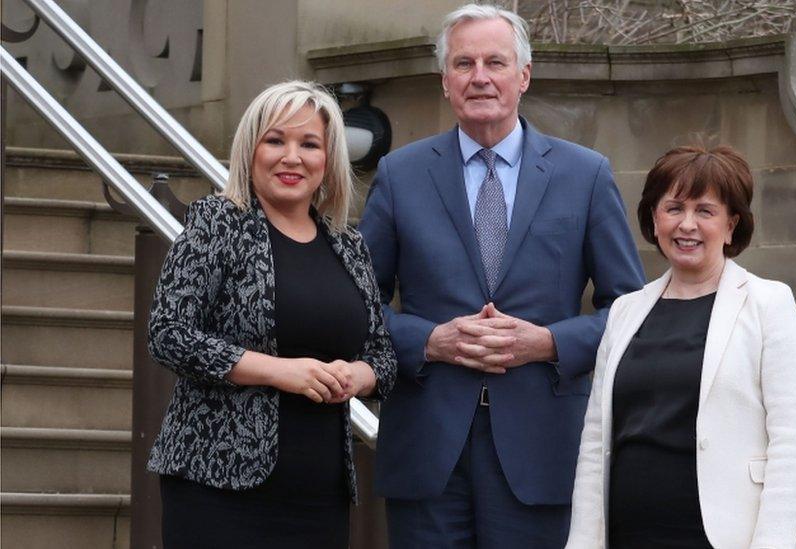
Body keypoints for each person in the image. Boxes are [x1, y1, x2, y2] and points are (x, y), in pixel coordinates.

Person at [357, 4, 645, 548]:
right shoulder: (401, 174)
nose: (480, 76)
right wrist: (431, 341)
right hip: (428, 446)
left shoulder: (585, 175)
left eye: (496, 62)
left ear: (524, 76)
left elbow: (631, 309)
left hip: (542, 448)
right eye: (464, 64)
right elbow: (357, 302)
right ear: (445, 82)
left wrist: (550, 342)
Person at [146, 80, 396, 549]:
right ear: (251, 149)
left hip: (319, 491)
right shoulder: (218, 222)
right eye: (276, 140)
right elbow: (169, 332)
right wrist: (280, 372)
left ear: (329, 158)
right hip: (217, 486)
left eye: (309, 144)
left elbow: (381, 353)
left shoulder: (349, 245)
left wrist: (358, 375)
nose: (292, 157)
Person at [565, 145, 796, 549]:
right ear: (654, 218)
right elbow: (595, 442)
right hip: (628, 532)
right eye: (674, 208)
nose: (687, 225)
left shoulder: (769, 304)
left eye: (705, 211)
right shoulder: (625, 312)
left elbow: (792, 441)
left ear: (732, 225)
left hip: (721, 536)